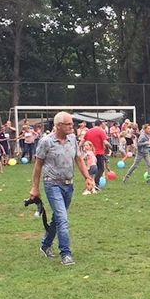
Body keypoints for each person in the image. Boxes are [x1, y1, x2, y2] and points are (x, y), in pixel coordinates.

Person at [29, 112, 96, 266]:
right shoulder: (46, 142)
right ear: (58, 125)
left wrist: (87, 177)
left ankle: (45, 245)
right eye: (69, 124)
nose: (72, 127)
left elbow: (78, 159)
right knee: (63, 219)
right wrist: (35, 188)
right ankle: (66, 253)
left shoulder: (72, 139)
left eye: (72, 124)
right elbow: (38, 165)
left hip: (69, 184)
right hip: (52, 184)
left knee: (58, 218)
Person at [84, 121, 109, 186]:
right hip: (99, 153)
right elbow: (105, 142)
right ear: (100, 124)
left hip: (90, 153)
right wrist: (110, 147)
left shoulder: (88, 131)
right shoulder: (101, 131)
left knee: (92, 168)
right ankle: (95, 182)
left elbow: (82, 141)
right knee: (101, 169)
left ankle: (91, 182)